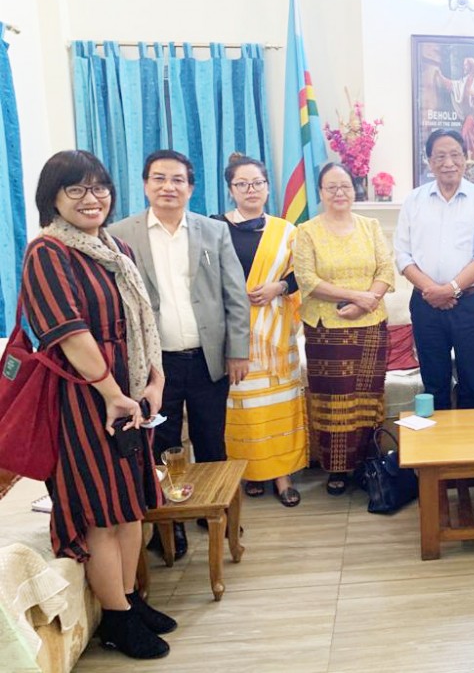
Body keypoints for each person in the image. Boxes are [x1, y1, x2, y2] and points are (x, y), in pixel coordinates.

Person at [20, 150, 174, 659]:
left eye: (100, 188)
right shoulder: (48, 253)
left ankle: (130, 597)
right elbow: (71, 335)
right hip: (84, 401)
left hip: (129, 394)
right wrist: (114, 395)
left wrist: (154, 382)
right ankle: (116, 619)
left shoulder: (111, 246)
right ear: (53, 198)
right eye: (77, 190)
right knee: (100, 512)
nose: (93, 199)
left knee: (130, 505)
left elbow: (142, 323)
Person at [108, 149, 250, 557]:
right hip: (155, 365)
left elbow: (234, 296)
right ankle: (169, 524)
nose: (168, 187)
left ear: (190, 187)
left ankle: (214, 513)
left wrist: (237, 350)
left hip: (208, 357)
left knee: (210, 439)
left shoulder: (212, 231)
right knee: (159, 442)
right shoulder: (121, 235)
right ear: (145, 184)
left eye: (177, 180)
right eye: (159, 179)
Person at [210, 153, 307, 507]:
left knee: (277, 404)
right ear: (231, 189)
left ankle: (282, 477)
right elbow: (205, 279)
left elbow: (302, 275)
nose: (251, 189)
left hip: (277, 338)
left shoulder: (287, 231)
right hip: (234, 335)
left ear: (267, 187)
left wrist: (278, 288)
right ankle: (250, 472)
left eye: (258, 183)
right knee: (244, 409)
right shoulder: (215, 227)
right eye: (242, 184)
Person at [294, 162, 394, 495]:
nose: (339, 193)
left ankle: (368, 462)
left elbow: (386, 269)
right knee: (333, 400)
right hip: (327, 331)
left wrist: (370, 300)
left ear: (355, 190)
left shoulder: (371, 226)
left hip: (371, 328)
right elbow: (307, 280)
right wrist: (356, 296)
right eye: (331, 187)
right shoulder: (306, 231)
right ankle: (336, 469)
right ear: (320, 193)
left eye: (345, 186)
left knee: (368, 397)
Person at [395, 129, 474, 411]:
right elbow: (403, 255)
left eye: (455, 154)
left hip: (470, 305)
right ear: (429, 161)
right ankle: (436, 453)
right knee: (434, 385)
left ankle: (471, 453)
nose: (448, 162)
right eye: (440, 156)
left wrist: (450, 289)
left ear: (466, 158)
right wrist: (432, 291)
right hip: (425, 305)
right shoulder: (413, 201)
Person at [434, 57, 474, 163]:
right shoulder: (465, 80)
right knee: (466, 135)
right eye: (464, 65)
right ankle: (470, 157)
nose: (464, 67)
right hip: (467, 115)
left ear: (471, 66)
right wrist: (442, 77)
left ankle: (473, 157)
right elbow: (455, 85)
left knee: (465, 133)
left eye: (466, 65)